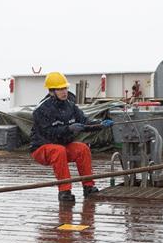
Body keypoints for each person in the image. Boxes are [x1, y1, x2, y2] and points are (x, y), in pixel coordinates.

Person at [30, 72, 113, 203]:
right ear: (51, 91)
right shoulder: (41, 110)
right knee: (58, 151)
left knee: (82, 149)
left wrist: (100, 125)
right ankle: (64, 191)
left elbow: (85, 122)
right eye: (60, 89)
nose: (64, 92)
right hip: (41, 148)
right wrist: (68, 129)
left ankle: (88, 187)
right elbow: (47, 133)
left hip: (62, 146)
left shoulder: (70, 106)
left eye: (65, 88)